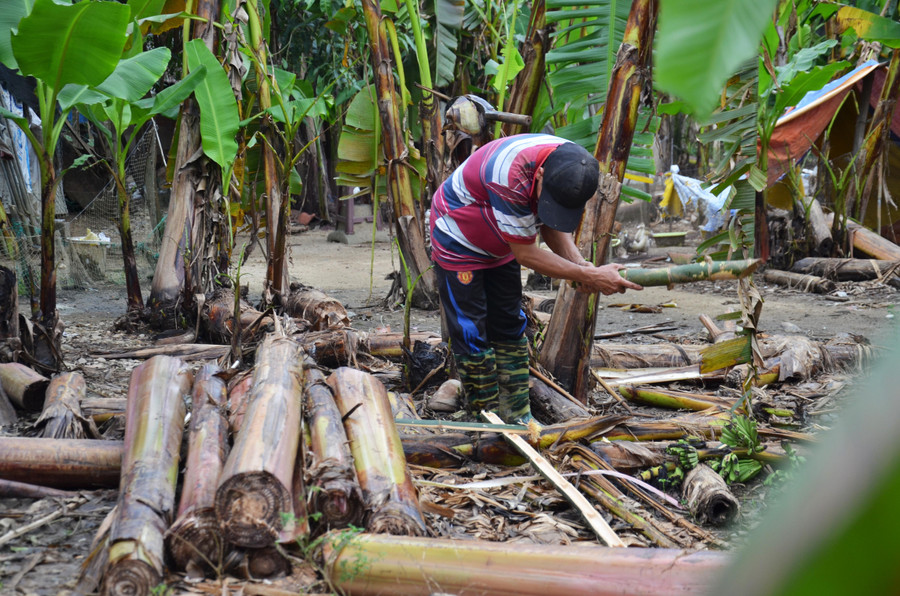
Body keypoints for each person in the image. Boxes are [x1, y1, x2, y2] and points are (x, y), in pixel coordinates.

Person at [429, 133, 642, 424]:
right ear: (539, 174)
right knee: (471, 329)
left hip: (503, 241)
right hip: (458, 239)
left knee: (509, 322)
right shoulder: (509, 174)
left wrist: (580, 265)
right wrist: (588, 274)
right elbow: (526, 254)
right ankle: (485, 420)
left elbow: (550, 223)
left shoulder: (573, 166)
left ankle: (517, 415)